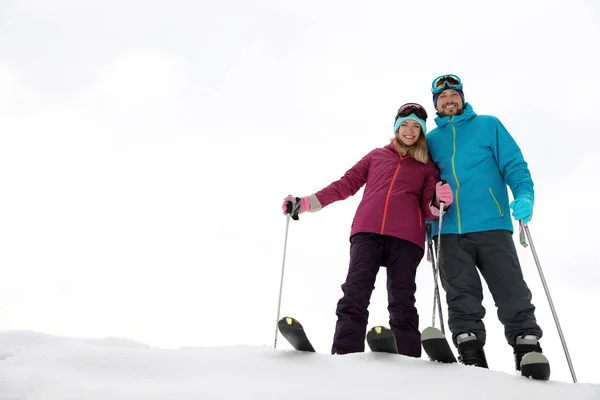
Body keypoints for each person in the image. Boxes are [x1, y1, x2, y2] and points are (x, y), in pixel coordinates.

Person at [281, 103, 453, 357]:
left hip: (406, 238)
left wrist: (440, 202)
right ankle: (345, 353)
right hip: (367, 231)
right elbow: (346, 184)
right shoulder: (376, 156)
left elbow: (430, 210)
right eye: (405, 125)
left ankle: (408, 356)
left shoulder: (427, 166)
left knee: (402, 299)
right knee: (355, 292)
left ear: (422, 132)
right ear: (396, 128)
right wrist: (305, 203)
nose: (410, 131)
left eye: (416, 126)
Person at [425, 74, 544, 371]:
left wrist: (524, 195)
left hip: (491, 223)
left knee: (510, 288)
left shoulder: (487, 125)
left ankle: (526, 345)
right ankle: (470, 350)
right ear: (436, 104)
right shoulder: (430, 140)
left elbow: (514, 164)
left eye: (454, 94)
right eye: (442, 97)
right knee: (460, 294)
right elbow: (421, 181)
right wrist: (428, 216)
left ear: (463, 98)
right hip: (448, 230)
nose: (449, 100)